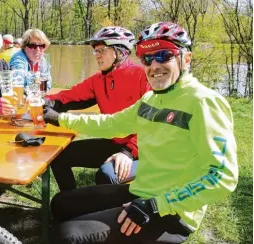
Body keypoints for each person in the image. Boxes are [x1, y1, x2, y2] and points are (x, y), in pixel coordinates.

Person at [43, 22, 238, 243]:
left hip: (171, 211)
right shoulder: (150, 99)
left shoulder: (204, 102)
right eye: (146, 58)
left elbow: (222, 177)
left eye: (164, 55)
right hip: (141, 190)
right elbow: (110, 123)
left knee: (67, 235)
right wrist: (59, 118)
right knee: (60, 204)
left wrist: (156, 205)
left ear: (186, 59)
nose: (154, 65)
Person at [45, 27, 151, 190]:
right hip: (115, 141)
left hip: (143, 149)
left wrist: (129, 152)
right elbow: (70, 95)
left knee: (106, 174)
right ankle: (70, 202)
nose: (97, 56)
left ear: (120, 52)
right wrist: (42, 101)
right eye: (96, 51)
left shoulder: (142, 76)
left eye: (102, 50)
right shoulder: (98, 80)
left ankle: (111, 213)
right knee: (59, 155)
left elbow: (152, 123)